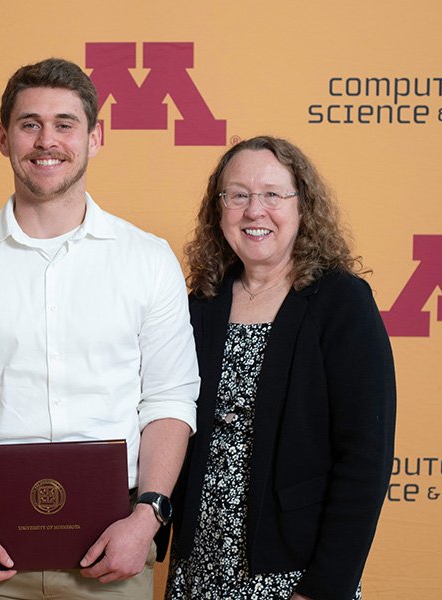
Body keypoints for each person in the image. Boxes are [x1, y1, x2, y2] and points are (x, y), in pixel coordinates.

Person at [0, 57, 200, 599]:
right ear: (3, 137)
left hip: (115, 549)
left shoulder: (148, 261)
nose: (47, 141)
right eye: (29, 123)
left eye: (65, 124)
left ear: (95, 137)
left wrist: (148, 518)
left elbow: (169, 401)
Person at [164, 136, 396, 600]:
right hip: (200, 565)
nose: (255, 210)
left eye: (273, 194)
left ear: (302, 206)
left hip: (295, 571)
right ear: (219, 208)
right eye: (239, 195)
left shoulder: (341, 302)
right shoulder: (198, 306)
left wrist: (326, 585)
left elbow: (365, 458)